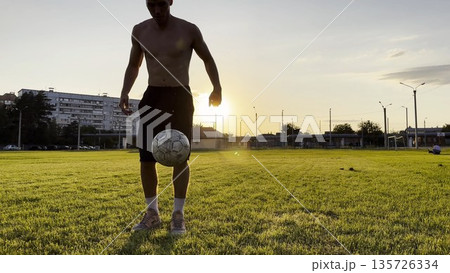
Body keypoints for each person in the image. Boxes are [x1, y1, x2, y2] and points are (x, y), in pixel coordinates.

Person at [119, 0, 222, 234]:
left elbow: (207, 58)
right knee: (146, 158)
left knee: (180, 156)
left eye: (162, 5)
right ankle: (152, 214)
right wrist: (125, 90)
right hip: (152, 97)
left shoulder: (189, 29)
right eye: (151, 5)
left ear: (171, 1)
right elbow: (133, 65)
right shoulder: (139, 30)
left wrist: (217, 87)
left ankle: (178, 215)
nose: (157, 11)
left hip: (180, 97)